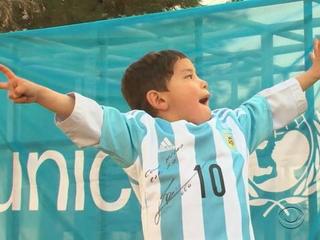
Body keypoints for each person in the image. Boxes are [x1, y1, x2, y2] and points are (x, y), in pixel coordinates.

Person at [0, 40, 319, 240]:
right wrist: (40, 94)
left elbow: (267, 104)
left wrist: (314, 73)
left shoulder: (231, 126)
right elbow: (94, 118)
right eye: (189, 75)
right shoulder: (142, 136)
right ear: (159, 99)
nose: (202, 81)